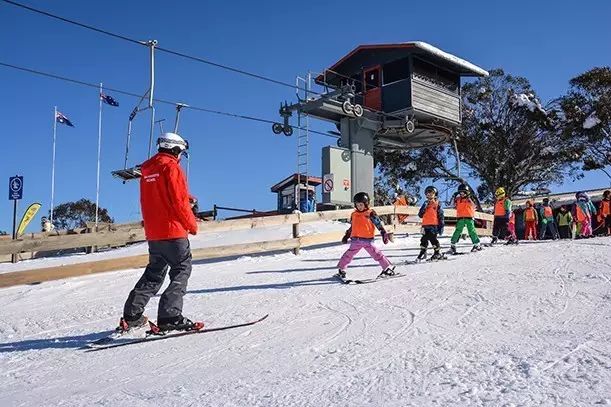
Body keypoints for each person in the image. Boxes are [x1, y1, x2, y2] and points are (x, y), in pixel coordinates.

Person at [120, 132, 199, 333]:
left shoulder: (148, 169)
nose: (181, 155)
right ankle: (170, 316)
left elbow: (160, 194)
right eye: (181, 151)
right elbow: (177, 201)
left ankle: (132, 315)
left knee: (154, 273)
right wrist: (192, 224)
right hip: (173, 230)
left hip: (154, 232)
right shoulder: (172, 167)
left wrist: (187, 196)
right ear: (175, 149)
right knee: (181, 269)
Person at [337, 192, 394, 278]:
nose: (359, 207)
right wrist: (346, 236)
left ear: (366, 204)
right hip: (355, 240)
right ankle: (342, 269)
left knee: (377, 254)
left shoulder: (370, 213)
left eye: (361, 205)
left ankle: (387, 268)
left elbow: (378, 224)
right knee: (348, 255)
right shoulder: (354, 214)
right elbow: (353, 226)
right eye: (357, 205)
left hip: (368, 240)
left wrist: (383, 233)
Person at [448, 184, 481, 254]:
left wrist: (470, 198)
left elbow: (475, 206)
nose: (462, 194)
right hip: (460, 218)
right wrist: (453, 197)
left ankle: (476, 244)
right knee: (457, 231)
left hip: (469, 218)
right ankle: (453, 245)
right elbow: (450, 205)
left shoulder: (470, 199)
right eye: (460, 192)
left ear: (467, 192)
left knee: (471, 231)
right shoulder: (458, 199)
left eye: (463, 192)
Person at [417, 186, 445, 260]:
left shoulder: (437, 204)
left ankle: (437, 253)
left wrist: (441, 226)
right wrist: (424, 207)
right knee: (423, 239)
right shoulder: (425, 203)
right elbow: (420, 215)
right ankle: (423, 252)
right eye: (427, 193)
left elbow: (441, 215)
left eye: (431, 193)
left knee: (433, 239)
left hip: (433, 225)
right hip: (425, 225)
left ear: (435, 194)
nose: (429, 195)